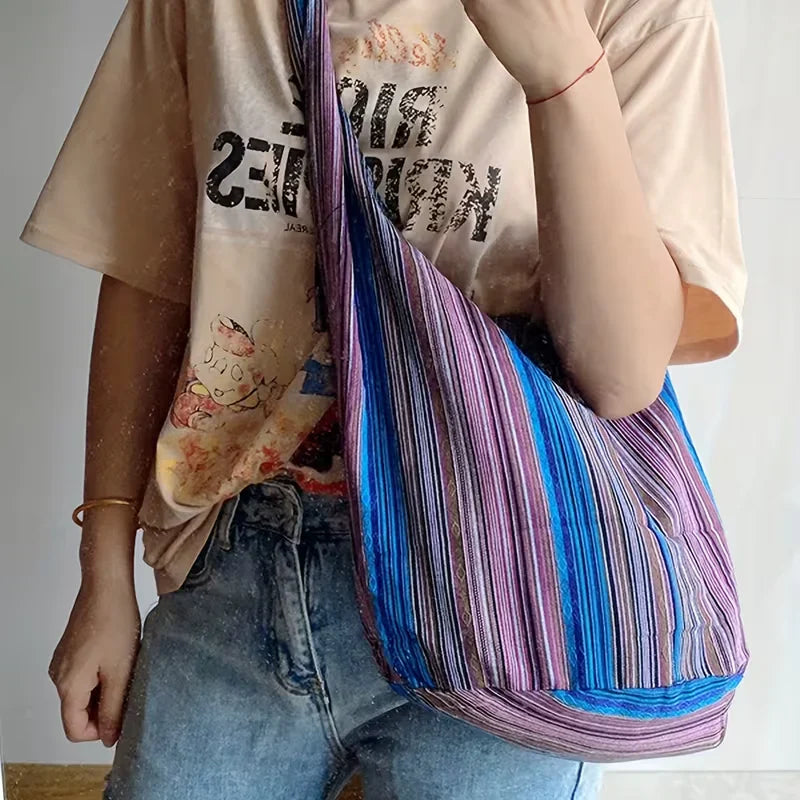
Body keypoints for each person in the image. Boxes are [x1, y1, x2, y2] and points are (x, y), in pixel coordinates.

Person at [19, 0, 746, 797]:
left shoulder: (636, 13)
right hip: (234, 560)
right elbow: (147, 272)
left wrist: (561, 71)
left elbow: (620, 375)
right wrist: (103, 574)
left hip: (506, 585)